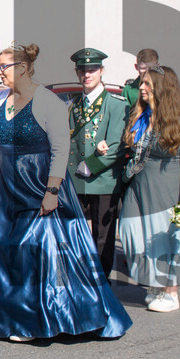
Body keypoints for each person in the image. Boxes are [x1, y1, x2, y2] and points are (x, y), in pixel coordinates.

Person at [0, 44, 132, 341]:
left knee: (36, 251)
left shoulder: (47, 101)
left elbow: (60, 148)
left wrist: (52, 191)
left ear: (22, 68)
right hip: (6, 187)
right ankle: (6, 317)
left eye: (3, 66)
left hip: (38, 182)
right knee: (4, 252)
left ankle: (34, 320)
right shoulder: (0, 100)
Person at [119, 66, 180, 313]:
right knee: (133, 233)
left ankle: (171, 291)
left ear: (163, 88)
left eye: (147, 84)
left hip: (172, 185)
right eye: (141, 84)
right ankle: (155, 283)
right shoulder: (143, 115)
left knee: (170, 238)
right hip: (140, 185)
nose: (142, 88)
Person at [66, 48, 127, 278]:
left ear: (101, 71)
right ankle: (80, 278)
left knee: (103, 236)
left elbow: (116, 147)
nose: (87, 74)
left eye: (92, 69)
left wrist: (89, 165)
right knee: (75, 233)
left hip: (103, 180)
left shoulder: (116, 104)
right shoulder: (73, 105)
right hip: (75, 180)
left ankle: (101, 283)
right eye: (82, 70)